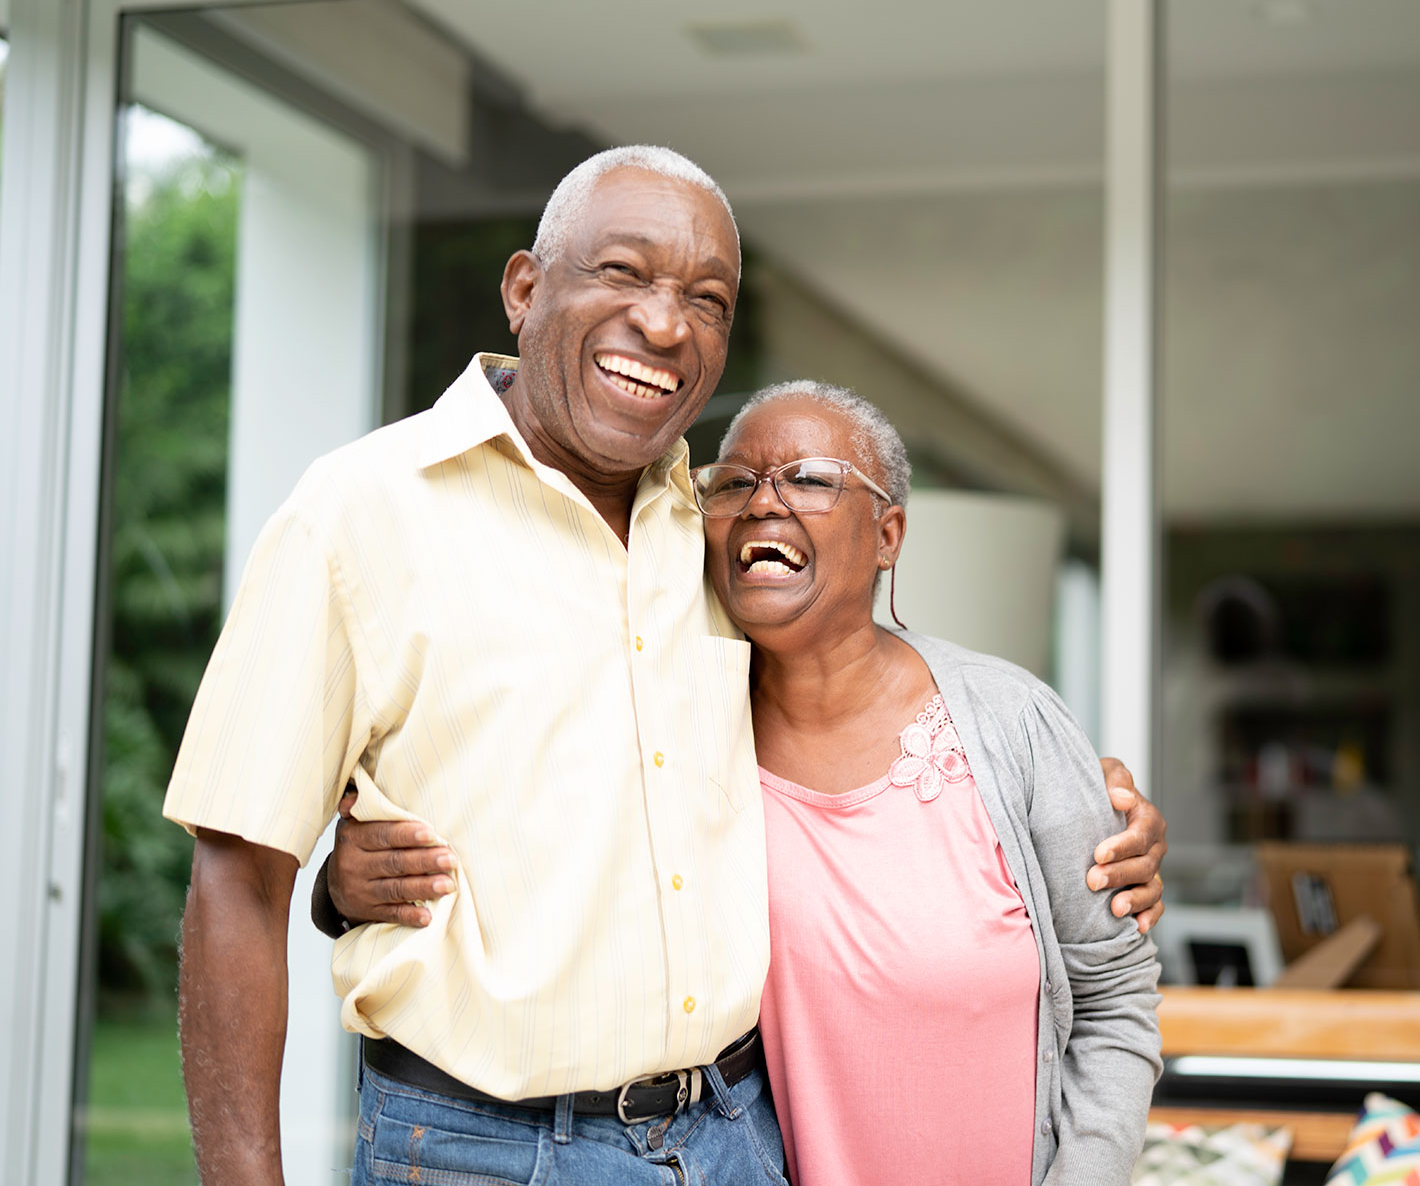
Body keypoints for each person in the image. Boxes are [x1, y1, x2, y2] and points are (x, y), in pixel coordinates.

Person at [162, 145, 1168, 1186]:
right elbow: (237, 878)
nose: (665, 321)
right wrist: (333, 887)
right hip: (483, 1151)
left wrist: (1079, 802)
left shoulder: (713, 527)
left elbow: (853, 704)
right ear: (523, 288)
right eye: (623, 272)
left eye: (708, 298)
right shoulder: (357, 513)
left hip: (736, 1135)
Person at [328, 380, 1162, 1185]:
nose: (765, 500)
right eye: (732, 482)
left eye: (809, 478)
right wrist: (339, 885)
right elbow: (524, 825)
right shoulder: (679, 732)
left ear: (888, 533)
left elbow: (1115, 996)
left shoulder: (1012, 725)